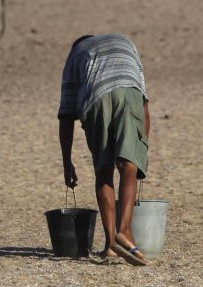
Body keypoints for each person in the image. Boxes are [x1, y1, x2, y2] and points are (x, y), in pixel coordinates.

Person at [57, 33, 151, 266]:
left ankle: (110, 245)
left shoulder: (76, 54)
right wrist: (142, 149)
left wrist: (67, 162)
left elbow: (66, 115)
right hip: (129, 91)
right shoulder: (126, 42)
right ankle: (124, 231)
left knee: (104, 169)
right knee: (129, 165)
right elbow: (144, 102)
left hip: (95, 96)